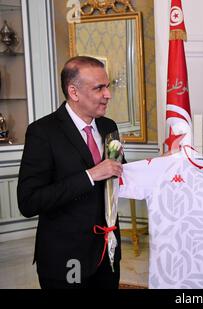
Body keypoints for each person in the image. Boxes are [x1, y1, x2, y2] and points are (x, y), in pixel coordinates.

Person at [17, 56, 123, 289]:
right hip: (65, 257)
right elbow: (29, 202)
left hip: (108, 253)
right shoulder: (42, 132)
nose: (108, 94)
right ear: (74, 92)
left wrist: (165, 165)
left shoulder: (109, 127)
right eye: (99, 88)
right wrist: (90, 175)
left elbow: (118, 174)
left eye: (107, 86)